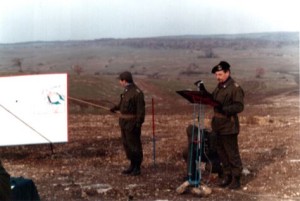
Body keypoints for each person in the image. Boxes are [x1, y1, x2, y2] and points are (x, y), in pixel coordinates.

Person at [210, 61, 244, 189]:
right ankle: (227, 176)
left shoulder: (235, 88)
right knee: (222, 152)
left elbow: (239, 106)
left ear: (227, 72)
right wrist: (203, 92)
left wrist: (225, 109)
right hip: (218, 125)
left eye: (220, 74)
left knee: (232, 153)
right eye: (216, 75)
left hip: (229, 125)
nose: (217, 77)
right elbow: (213, 99)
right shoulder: (220, 86)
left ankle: (236, 179)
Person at [110, 71, 145, 176]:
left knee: (135, 146)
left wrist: (138, 124)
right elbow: (121, 105)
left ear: (124, 81)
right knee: (127, 145)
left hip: (132, 124)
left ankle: (137, 167)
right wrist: (114, 108)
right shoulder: (126, 91)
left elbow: (141, 111)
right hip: (124, 123)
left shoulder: (137, 93)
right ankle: (132, 165)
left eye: (120, 80)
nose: (120, 82)